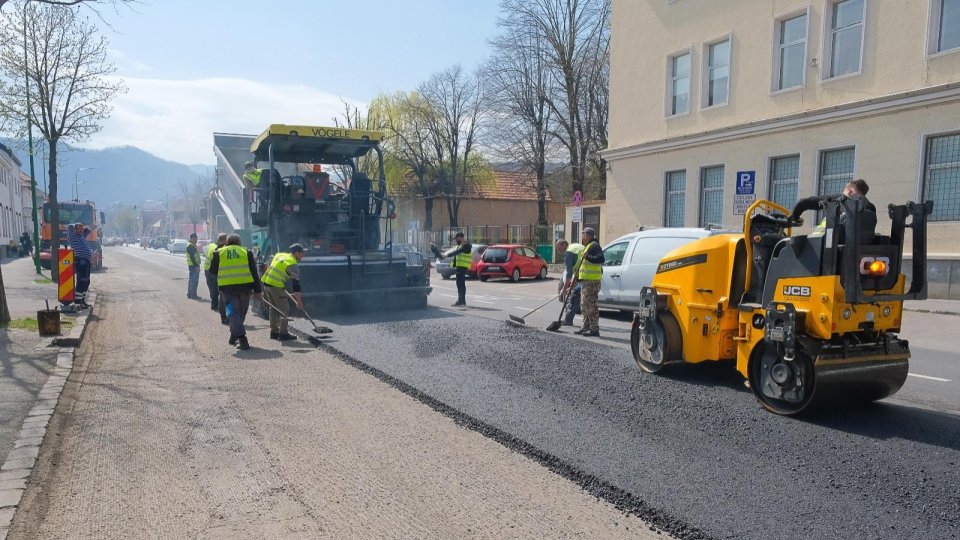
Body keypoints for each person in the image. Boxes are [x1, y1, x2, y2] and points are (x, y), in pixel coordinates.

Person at [209, 234, 263, 351]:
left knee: (233, 313)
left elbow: (212, 271)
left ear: (227, 242)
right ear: (239, 242)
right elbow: (254, 273)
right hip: (245, 289)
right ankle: (242, 338)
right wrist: (258, 290)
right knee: (241, 313)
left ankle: (235, 335)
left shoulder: (219, 252)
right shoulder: (246, 252)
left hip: (226, 290)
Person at [261, 244, 306, 341]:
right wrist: (299, 302)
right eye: (302, 253)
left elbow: (271, 263)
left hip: (267, 282)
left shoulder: (280, 255)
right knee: (284, 309)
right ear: (297, 253)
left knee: (273, 309)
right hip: (276, 285)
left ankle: (274, 332)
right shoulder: (293, 265)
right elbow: (296, 286)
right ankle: (283, 333)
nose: (303, 255)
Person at [574, 227, 604, 337]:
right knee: (584, 304)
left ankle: (594, 329)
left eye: (583, 235)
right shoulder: (587, 246)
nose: (582, 237)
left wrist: (589, 257)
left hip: (592, 282)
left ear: (587, 235)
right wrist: (578, 278)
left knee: (591, 305)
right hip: (586, 281)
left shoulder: (594, 246)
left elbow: (601, 259)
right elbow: (584, 266)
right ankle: (585, 326)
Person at [67, 223, 93, 309]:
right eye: (79, 228)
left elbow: (89, 230)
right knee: (81, 280)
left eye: (82, 228)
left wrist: (84, 228)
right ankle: (77, 302)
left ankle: (82, 300)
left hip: (86, 261)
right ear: (75, 229)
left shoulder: (82, 237)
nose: (81, 230)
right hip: (80, 260)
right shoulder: (73, 237)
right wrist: (77, 226)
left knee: (86, 281)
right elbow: (70, 226)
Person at [559, 241, 585, 327]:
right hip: (583, 273)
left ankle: (568, 320)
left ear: (563, 244)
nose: (559, 251)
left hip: (583, 274)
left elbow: (569, 273)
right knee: (578, 297)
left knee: (575, 296)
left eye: (559, 248)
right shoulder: (574, 247)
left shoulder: (568, 253)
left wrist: (564, 288)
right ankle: (586, 323)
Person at [205, 233, 227, 313]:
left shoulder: (211, 245)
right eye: (226, 240)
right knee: (219, 292)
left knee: (213, 289)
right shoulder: (219, 249)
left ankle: (214, 304)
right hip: (214, 271)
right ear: (222, 240)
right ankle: (220, 309)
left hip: (208, 270)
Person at [448, 232, 472, 307]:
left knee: (461, 284)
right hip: (460, 266)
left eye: (456, 238)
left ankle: (461, 301)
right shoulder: (460, 245)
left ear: (461, 237)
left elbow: (458, 252)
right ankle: (461, 301)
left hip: (462, 267)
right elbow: (455, 252)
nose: (456, 240)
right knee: (459, 284)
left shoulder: (466, 245)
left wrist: (448, 255)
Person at [186, 233, 202, 300]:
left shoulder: (191, 245)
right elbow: (192, 257)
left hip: (192, 265)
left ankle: (190, 294)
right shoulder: (190, 246)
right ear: (192, 238)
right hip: (194, 266)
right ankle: (193, 295)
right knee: (194, 281)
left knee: (191, 280)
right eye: (195, 238)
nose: (196, 240)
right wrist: (197, 266)